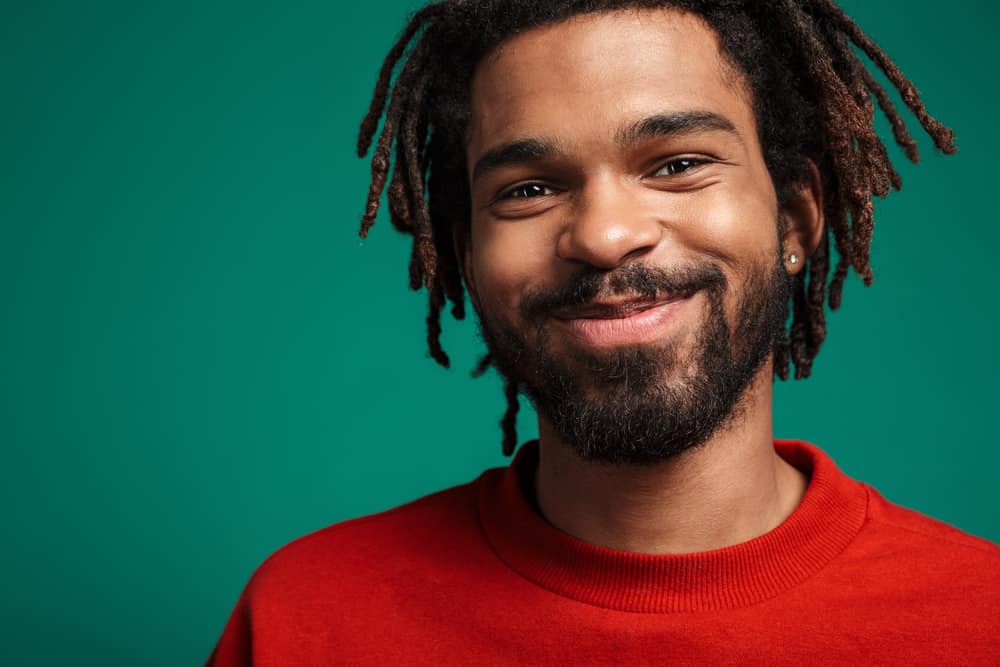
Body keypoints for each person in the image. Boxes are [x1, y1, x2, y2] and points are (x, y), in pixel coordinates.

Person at [206, 1, 1000, 664]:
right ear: (465, 256)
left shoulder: (978, 620)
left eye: (678, 163)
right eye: (530, 188)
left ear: (794, 218)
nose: (606, 235)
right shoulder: (303, 620)